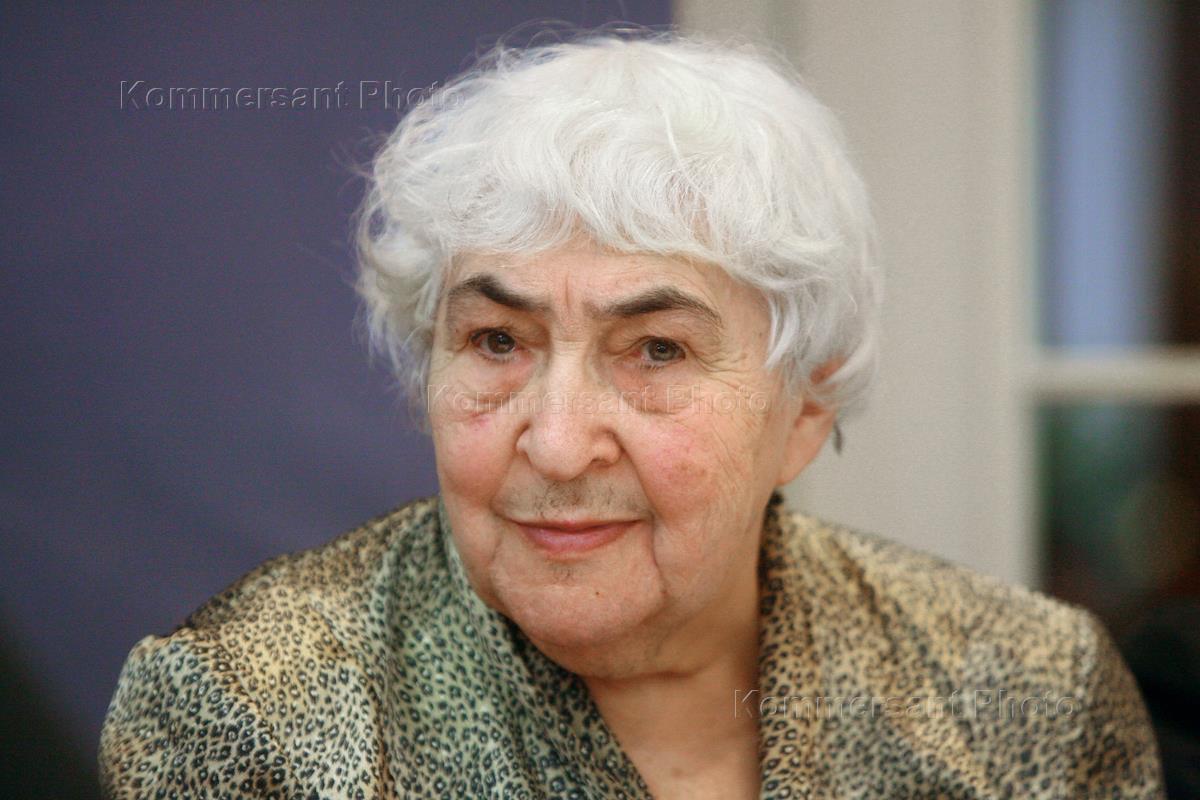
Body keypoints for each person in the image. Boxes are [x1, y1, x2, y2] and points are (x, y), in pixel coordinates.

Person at [98, 27, 1165, 799]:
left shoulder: (1027, 695)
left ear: (806, 405)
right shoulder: (248, 715)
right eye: (497, 341)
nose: (559, 443)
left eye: (657, 349)